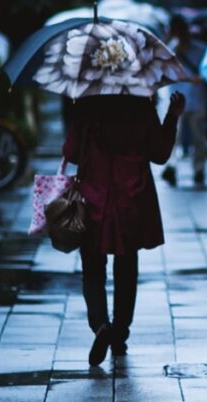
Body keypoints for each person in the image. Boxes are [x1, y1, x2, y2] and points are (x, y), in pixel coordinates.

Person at [63, 92, 185, 366]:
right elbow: (160, 153)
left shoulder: (87, 104)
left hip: (93, 198)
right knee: (127, 265)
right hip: (132, 198)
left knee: (92, 268)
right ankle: (120, 333)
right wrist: (172, 116)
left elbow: (70, 152)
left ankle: (100, 325)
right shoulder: (140, 105)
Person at [161, 15, 207, 188]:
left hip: (197, 100)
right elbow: (164, 72)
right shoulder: (169, 50)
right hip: (176, 99)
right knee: (173, 136)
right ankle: (171, 167)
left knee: (199, 137)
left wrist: (200, 78)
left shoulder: (200, 49)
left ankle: (199, 169)